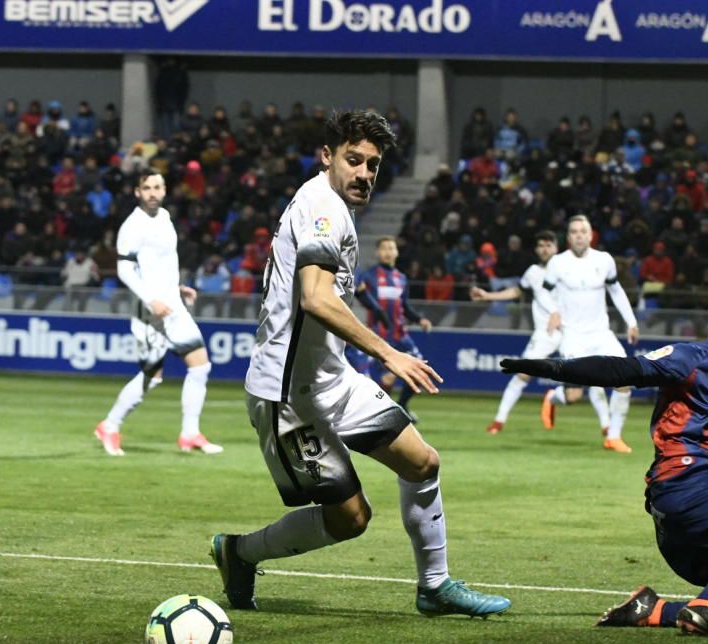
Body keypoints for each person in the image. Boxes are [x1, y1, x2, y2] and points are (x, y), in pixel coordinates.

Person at [210, 110, 510, 618]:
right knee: (351, 518)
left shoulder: (332, 208)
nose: (365, 174)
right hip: (287, 396)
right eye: (354, 160)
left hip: (332, 378)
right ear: (326, 157)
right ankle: (239, 553)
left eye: (372, 165)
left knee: (423, 462)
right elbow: (316, 299)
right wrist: (390, 352)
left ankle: (434, 587)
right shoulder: (323, 208)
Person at [500, 279, 708, 639]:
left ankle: (655, 609)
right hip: (681, 484)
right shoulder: (690, 360)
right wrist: (550, 368)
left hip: (698, 533)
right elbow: (622, 370)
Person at [94, 169, 222, 456]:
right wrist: (151, 300)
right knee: (152, 376)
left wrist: (177, 288)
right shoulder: (132, 226)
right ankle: (110, 425)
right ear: (137, 192)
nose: (153, 192)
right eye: (147, 188)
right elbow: (124, 269)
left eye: (157, 187)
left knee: (200, 366)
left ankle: (190, 434)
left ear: (164, 191)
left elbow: (159, 263)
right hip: (151, 312)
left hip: (172, 305)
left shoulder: (164, 217)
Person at [539, 215, 639, 453]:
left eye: (583, 231)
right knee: (574, 395)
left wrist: (631, 321)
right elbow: (543, 293)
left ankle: (613, 437)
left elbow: (616, 290)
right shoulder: (557, 263)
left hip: (601, 334)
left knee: (626, 379)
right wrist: (553, 311)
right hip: (573, 336)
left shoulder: (604, 260)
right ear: (568, 236)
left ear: (591, 234)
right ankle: (554, 397)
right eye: (574, 231)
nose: (579, 235)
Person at [470, 231, 559, 434]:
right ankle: (499, 420)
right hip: (546, 332)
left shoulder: (569, 269)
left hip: (572, 330)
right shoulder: (533, 272)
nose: (545, 249)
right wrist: (487, 296)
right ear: (537, 249)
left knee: (586, 380)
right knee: (522, 374)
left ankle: (608, 429)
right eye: (541, 245)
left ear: (556, 248)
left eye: (549, 245)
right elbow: (517, 291)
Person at [352, 236, 433, 422]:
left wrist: (420, 319)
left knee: (421, 370)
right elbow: (359, 293)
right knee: (377, 378)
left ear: (396, 252)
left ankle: (403, 405)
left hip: (400, 335)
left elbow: (405, 306)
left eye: (391, 248)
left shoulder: (401, 279)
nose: (388, 251)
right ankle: (376, 412)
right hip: (377, 334)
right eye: (384, 248)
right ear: (378, 253)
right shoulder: (368, 275)